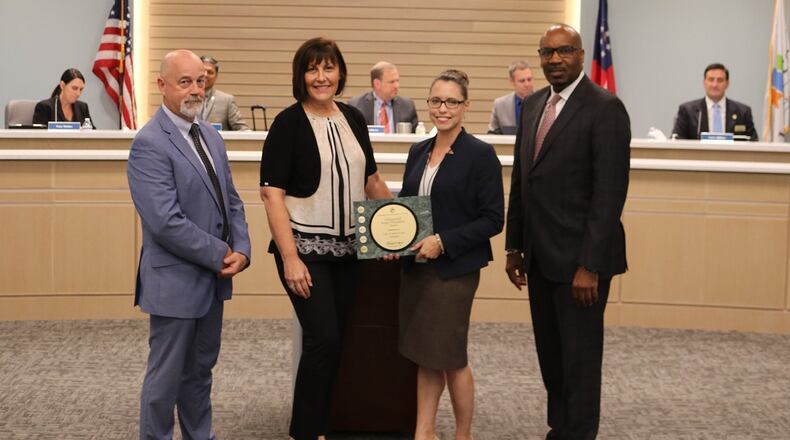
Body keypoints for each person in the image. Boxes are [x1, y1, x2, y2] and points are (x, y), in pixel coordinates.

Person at [259, 37, 391, 440]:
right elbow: (271, 193)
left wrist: (400, 229)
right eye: (312, 69)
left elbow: (371, 180)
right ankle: (306, 431)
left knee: (338, 342)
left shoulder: (352, 117)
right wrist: (290, 258)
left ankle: (324, 424)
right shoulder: (288, 123)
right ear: (301, 76)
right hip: (305, 252)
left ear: (340, 72)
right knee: (323, 340)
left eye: (328, 68)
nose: (321, 77)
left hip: (350, 251)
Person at [504, 24, 630, 440]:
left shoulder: (604, 107)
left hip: (581, 265)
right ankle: (561, 430)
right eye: (547, 53)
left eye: (564, 52)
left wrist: (589, 266)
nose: (554, 60)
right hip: (540, 259)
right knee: (552, 358)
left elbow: (609, 195)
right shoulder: (535, 104)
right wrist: (514, 247)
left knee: (579, 360)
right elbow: (524, 181)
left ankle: (578, 434)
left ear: (579, 55)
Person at [127, 49, 251, 440]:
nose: (195, 90)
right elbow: (165, 222)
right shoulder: (150, 143)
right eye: (185, 82)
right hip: (176, 282)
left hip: (212, 282)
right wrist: (220, 253)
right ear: (162, 85)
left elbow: (231, 199)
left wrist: (243, 250)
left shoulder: (209, 135)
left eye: (200, 81)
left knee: (199, 374)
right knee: (165, 382)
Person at [397, 70, 504, 440]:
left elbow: (493, 219)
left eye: (452, 102)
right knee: (426, 354)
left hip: (453, 271)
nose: (443, 109)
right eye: (436, 101)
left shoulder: (480, 154)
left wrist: (443, 241)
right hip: (417, 268)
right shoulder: (418, 150)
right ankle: (423, 431)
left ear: (466, 106)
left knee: (451, 356)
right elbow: (407, 206)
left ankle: (463, 434)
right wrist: (387, 239)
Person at [672, 63, 758, 140]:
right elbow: (676, 140)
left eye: (720, 80)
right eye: (711, 79)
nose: (715, 85)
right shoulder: (687, 111)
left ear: (727, 83)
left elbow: (753, 142)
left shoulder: (743, 112)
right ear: (704, 82)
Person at [348, 61, 419, 132]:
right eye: (392, 82)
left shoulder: (407, 106)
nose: (397, 86)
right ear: (377, 84)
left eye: (397, 81)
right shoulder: (356, 106)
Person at [200, 55, 251, 131]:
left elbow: (242, 129)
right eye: (202, 71)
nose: (205, 75)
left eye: (210, 72)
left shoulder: (226, 100)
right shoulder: (185, 97)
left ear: (216, 76)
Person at [488, 60, 535, 134]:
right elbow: (492, 134)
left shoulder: (545, 101)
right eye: (522, 81)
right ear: (512, 82)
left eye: (529, 79)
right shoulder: (500, 105)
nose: (527, 84)